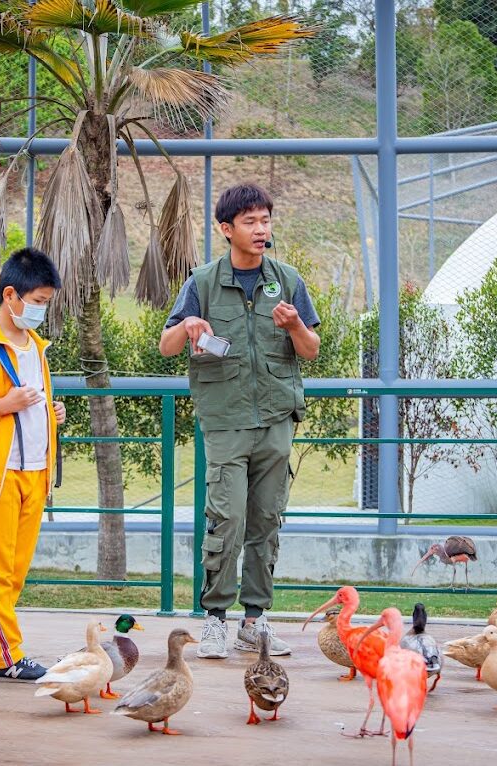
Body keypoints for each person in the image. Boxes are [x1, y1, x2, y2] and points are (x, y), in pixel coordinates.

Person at [157, 183, 320, 660]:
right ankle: (214, 620)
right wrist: (187, 326)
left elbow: (310, 351)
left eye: (266, 220)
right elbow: (166, 347)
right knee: (225, 519)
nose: (261, 229)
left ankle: (256, 621)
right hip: (225, 421)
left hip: (275, 420)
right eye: (250, 221)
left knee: (266, 521)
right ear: (227, 229)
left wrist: (294, 326)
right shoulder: (202, 282)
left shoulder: (287, 280)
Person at [0, 248, 66, 681]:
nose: (42, 310)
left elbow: (33, 403)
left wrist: (52, 414)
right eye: (38, 301)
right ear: (11, 295)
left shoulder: (36, 347)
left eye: (45, 303)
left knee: (13, 573)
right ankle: (7, 656)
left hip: (35, 472)